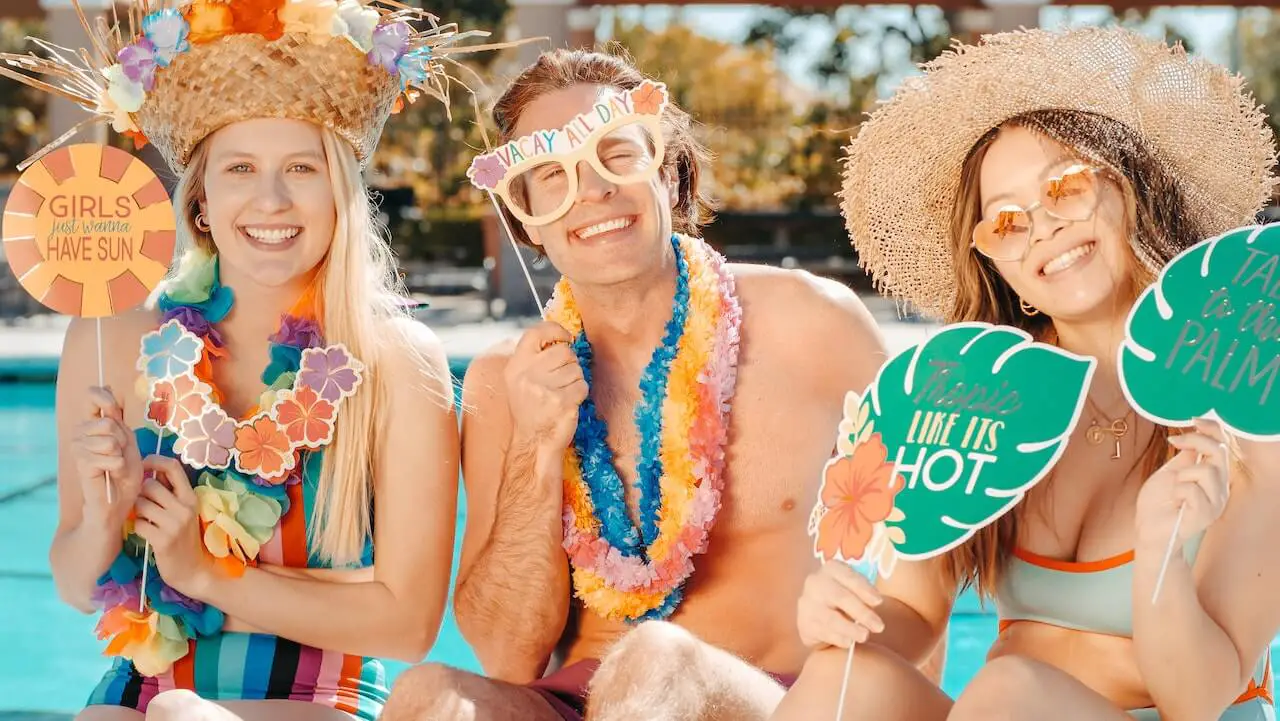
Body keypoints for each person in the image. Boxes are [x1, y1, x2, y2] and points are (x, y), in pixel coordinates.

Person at [378, 47, 931, 721]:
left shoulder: (813, 324)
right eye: (551, 175)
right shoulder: (504, 381)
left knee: (656, 658)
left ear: (669, 173)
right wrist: (537, 447)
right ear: (525, 217)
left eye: (617, 154)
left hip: (777, 700)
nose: (592, 191)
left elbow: (927, 553)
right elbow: (508, 656)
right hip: (578, 700)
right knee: (428, 696)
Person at [3, 1, 505, 717]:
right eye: (240, 167)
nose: (271, 199)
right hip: (135, 691)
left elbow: (407, 625)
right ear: (201, 200)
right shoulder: (112, 336)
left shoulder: (398, 361)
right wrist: (104, 514)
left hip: (319, 696)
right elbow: (79, 584)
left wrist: (205, 574)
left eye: (301, 166)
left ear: (339, 193)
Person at [770, 25, 1280, 721]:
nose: (1040, 227)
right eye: (1005, 223)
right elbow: (916, 612)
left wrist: (1162, 548)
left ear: (1130, 185)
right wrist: (845, 616)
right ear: (1000, 267)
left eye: (1065, 187)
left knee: (1009, 692)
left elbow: (1198, 698)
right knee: (840, 676)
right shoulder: (973, 390)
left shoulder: (1238, 401)